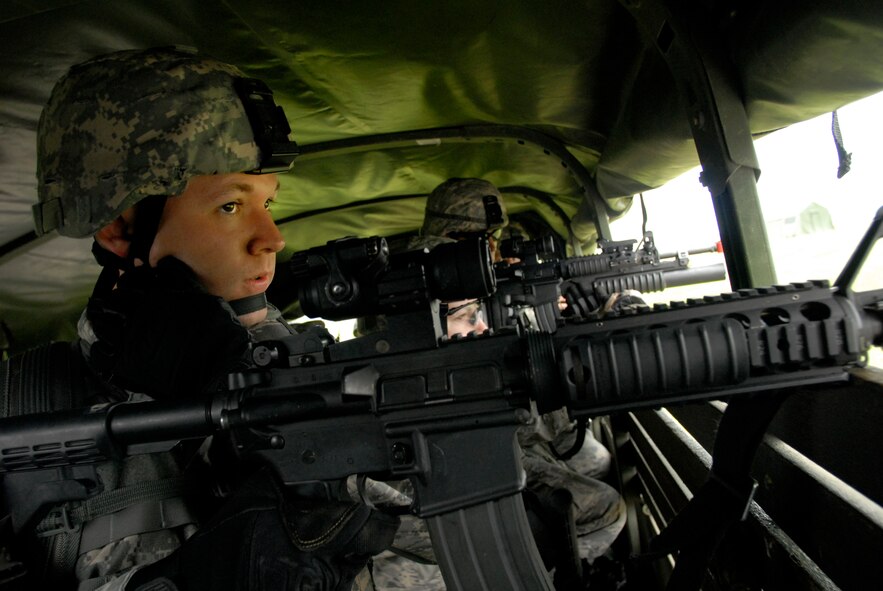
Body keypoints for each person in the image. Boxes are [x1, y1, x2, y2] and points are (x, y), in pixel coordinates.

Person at [1, 47, 397, 591]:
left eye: (269, 203)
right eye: (231, 206)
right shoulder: (23, 410)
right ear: (120, 227)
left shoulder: (325, 373)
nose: (272, 237)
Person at [361, 179, 626, 590]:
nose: (489, 248)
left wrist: (546, 315)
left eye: (491, 238)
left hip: (497, 429)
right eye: (473, 239)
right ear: (445, 233)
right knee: (601, 510)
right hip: (437, 441)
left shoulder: (481, 278)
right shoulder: (409, 281)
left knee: (600, 466)